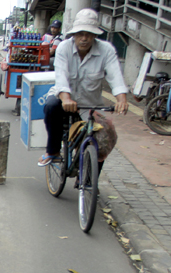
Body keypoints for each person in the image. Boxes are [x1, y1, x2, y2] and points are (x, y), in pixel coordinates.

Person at [38, 8, 128, 169]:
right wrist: (66, 98)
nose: (84, 38)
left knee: (102, 139)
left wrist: (122, 99)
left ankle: (89, 182)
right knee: (51, 106)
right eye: (80, 33)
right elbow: (61, 76)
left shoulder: (106, 49)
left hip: (90, 104)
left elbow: (115, 75)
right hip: (63, 99)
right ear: (74, 34)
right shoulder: (64, 48)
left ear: (95, 35)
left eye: (89, 34)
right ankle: (52, 151)